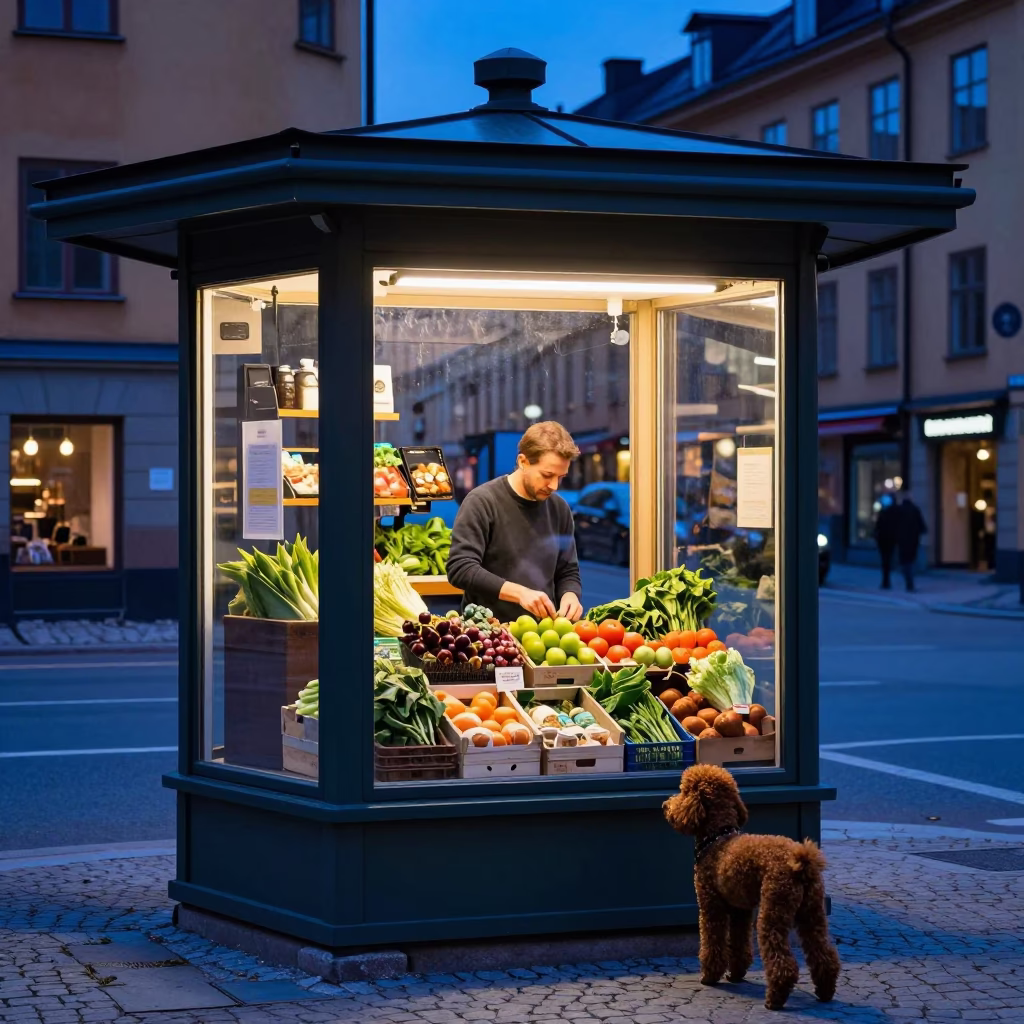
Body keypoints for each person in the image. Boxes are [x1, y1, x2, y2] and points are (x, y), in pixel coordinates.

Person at [446, 421, 584, 623]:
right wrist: (520, 593)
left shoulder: (560, 509)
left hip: (542, 634)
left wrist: (570, 594)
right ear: (523, 461)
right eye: (547, 475)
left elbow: (567, 570)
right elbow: (460, 568)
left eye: (561, 477)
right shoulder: (482, 501)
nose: (554, 485)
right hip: (488, 634)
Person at [895, 489, 927, 592]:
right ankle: (910, 581)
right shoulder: (915, 509)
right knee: (911, 560)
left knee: (904, 561)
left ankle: (908, 580)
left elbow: (894, 526)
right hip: (913, 539)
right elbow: (922, 525)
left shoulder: (899, 510)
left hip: (902, 540)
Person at [873, 493, 899, 589]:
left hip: (884, 540)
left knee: (885, 560)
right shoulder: (894, 513)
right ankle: (886, 580)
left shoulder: (883, 513)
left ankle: (886, 580)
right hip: (888, 540)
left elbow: (877, 528)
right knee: (887, 559)